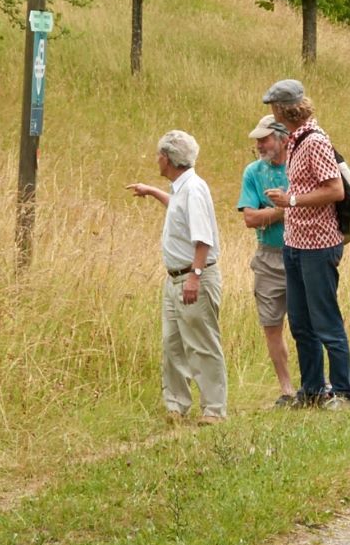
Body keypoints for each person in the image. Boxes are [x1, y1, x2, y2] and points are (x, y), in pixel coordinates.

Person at [261, 77, 350, 409]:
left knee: (325, 319)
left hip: (318, 243)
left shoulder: (314, 140)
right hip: (295, 242)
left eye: (273, 107)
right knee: (300, 322)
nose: (271, 113)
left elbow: (335, 190)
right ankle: (312, 391)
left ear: (285, 109)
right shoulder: (295, 139)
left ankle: (342, 392)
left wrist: (291, 201)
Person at [127, 129, 225, 423]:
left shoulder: (193, 189)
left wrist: (194, 276)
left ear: (168, 158)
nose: (156, 160)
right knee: (173, 343)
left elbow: (203, 237)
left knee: (201, 343)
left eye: (159, 155)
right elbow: (180, 213)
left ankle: (214, 410)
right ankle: (176, 405)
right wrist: (154, 191)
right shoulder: (183, 188)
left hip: (192, 277)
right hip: (175, 279)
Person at [236, 117, 297, 407]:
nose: (259, 145)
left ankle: (316, 382)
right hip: (267, 254)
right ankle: (286, 388)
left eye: (265, 139)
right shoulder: (253, 172)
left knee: (305, 323)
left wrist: (270, 211)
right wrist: (283, 210)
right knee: (271, 324)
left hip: (300, 251)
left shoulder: (298, 165)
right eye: (257, 140)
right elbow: (249, 218)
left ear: (283, 138)